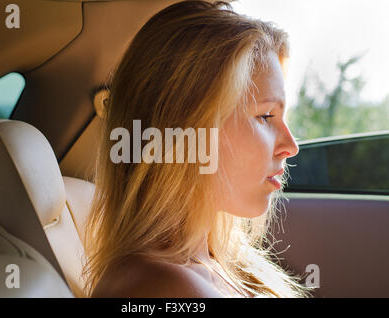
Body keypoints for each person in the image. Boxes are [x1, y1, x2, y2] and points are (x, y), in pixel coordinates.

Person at [82, 0, 310, 297]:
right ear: (185, 130)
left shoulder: (216, 262)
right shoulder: (162, 288)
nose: (290, 147)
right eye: (265, 116)